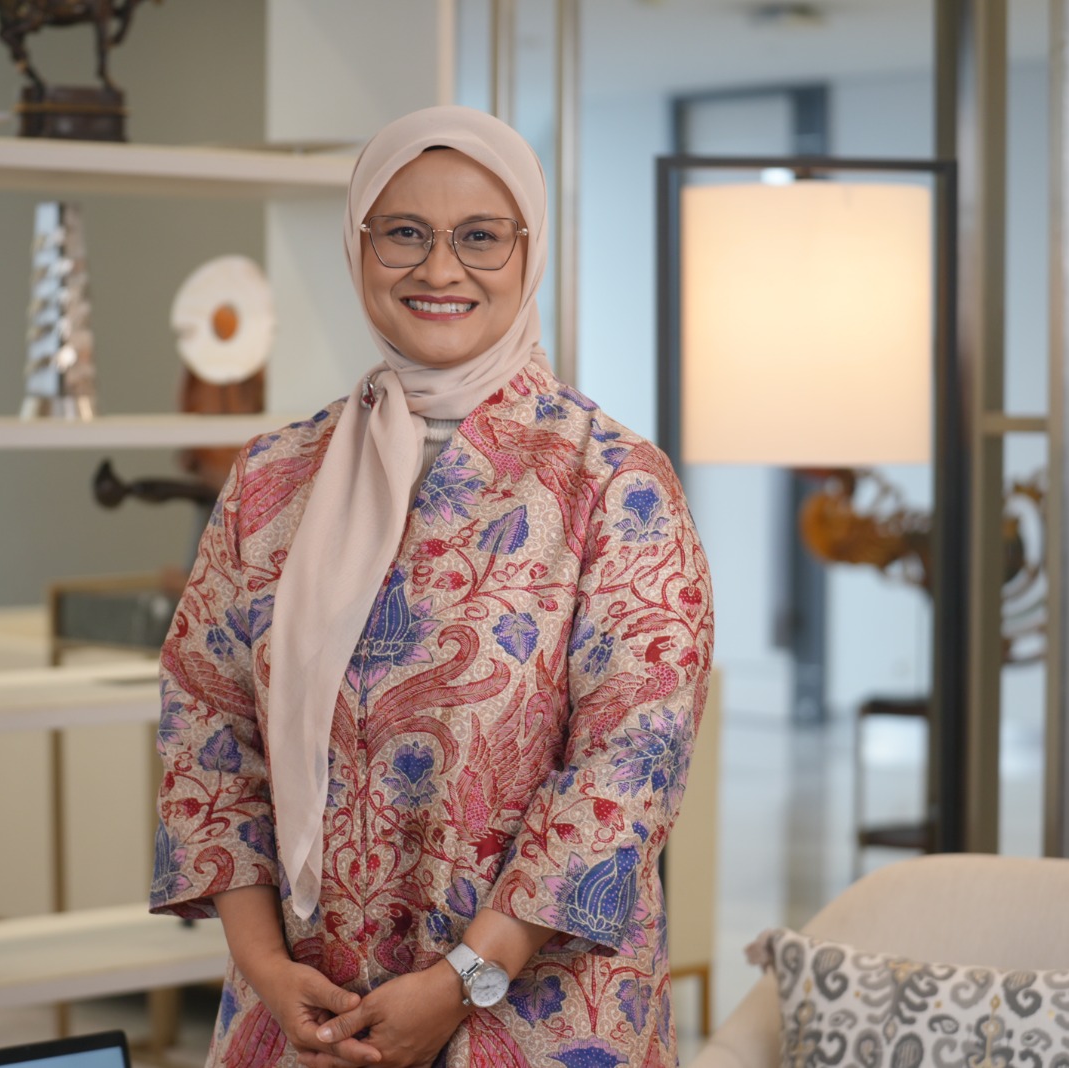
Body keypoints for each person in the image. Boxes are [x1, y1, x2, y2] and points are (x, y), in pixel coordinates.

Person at [150, 105, 713, 1068]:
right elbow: (206, 728)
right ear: (359, 243)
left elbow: (628, 769)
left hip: (531, 1015)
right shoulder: (272, 478)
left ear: (529, 251)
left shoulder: (614, 482)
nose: (440, 269)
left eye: (480, 237)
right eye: (405, 232)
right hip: (306, 1012)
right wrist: (263, 967)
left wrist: (462, 982)